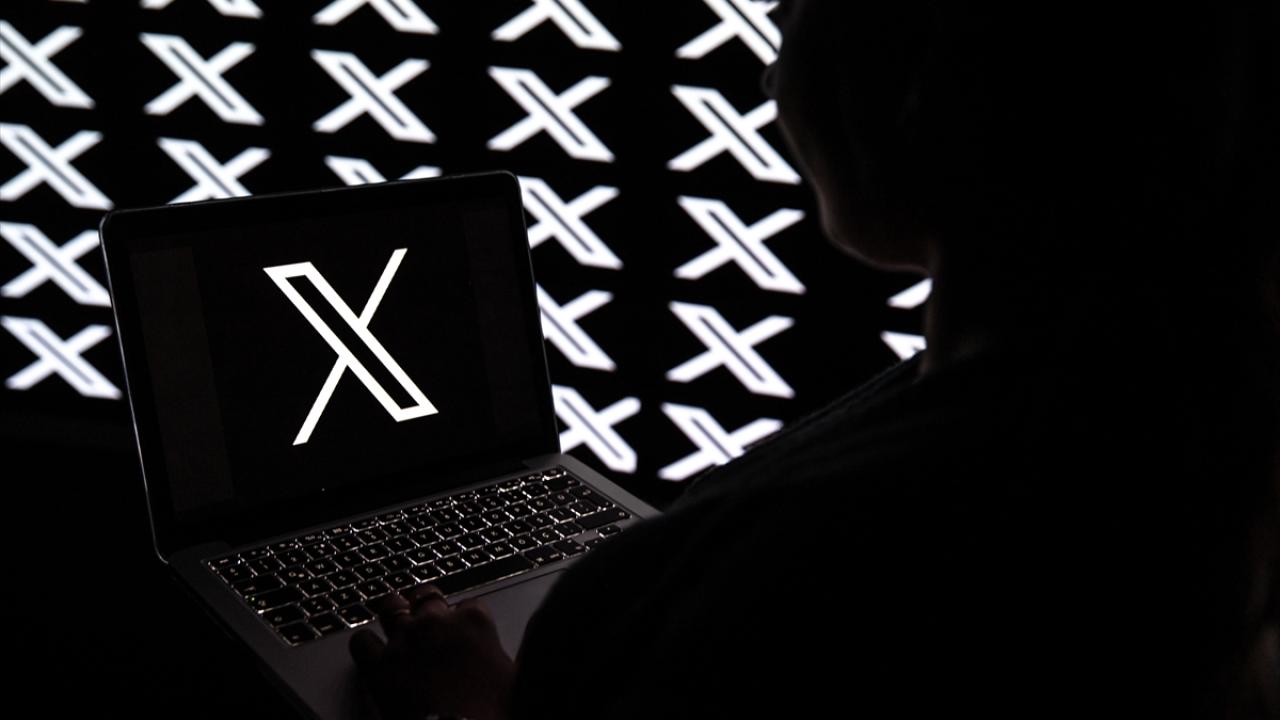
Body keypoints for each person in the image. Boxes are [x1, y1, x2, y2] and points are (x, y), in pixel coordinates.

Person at [348, 3, 1280, 718]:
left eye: (796, 16)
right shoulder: (1175, 415)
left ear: (928, 88)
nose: (768, 73)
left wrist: (494, 703)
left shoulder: (811, 570)